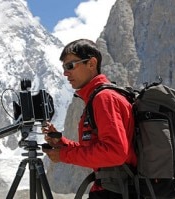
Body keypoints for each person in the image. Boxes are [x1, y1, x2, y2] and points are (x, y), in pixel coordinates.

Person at [42, 39, 137, 199]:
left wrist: (64, 155)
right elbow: (95, 148)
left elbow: (115, 152)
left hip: (117, 192)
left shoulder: (104, 98)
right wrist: (62, 144)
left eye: (70, 66)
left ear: (91, 63)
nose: (65, 73)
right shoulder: (96, 98)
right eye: (64, 67)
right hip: (113, 189)